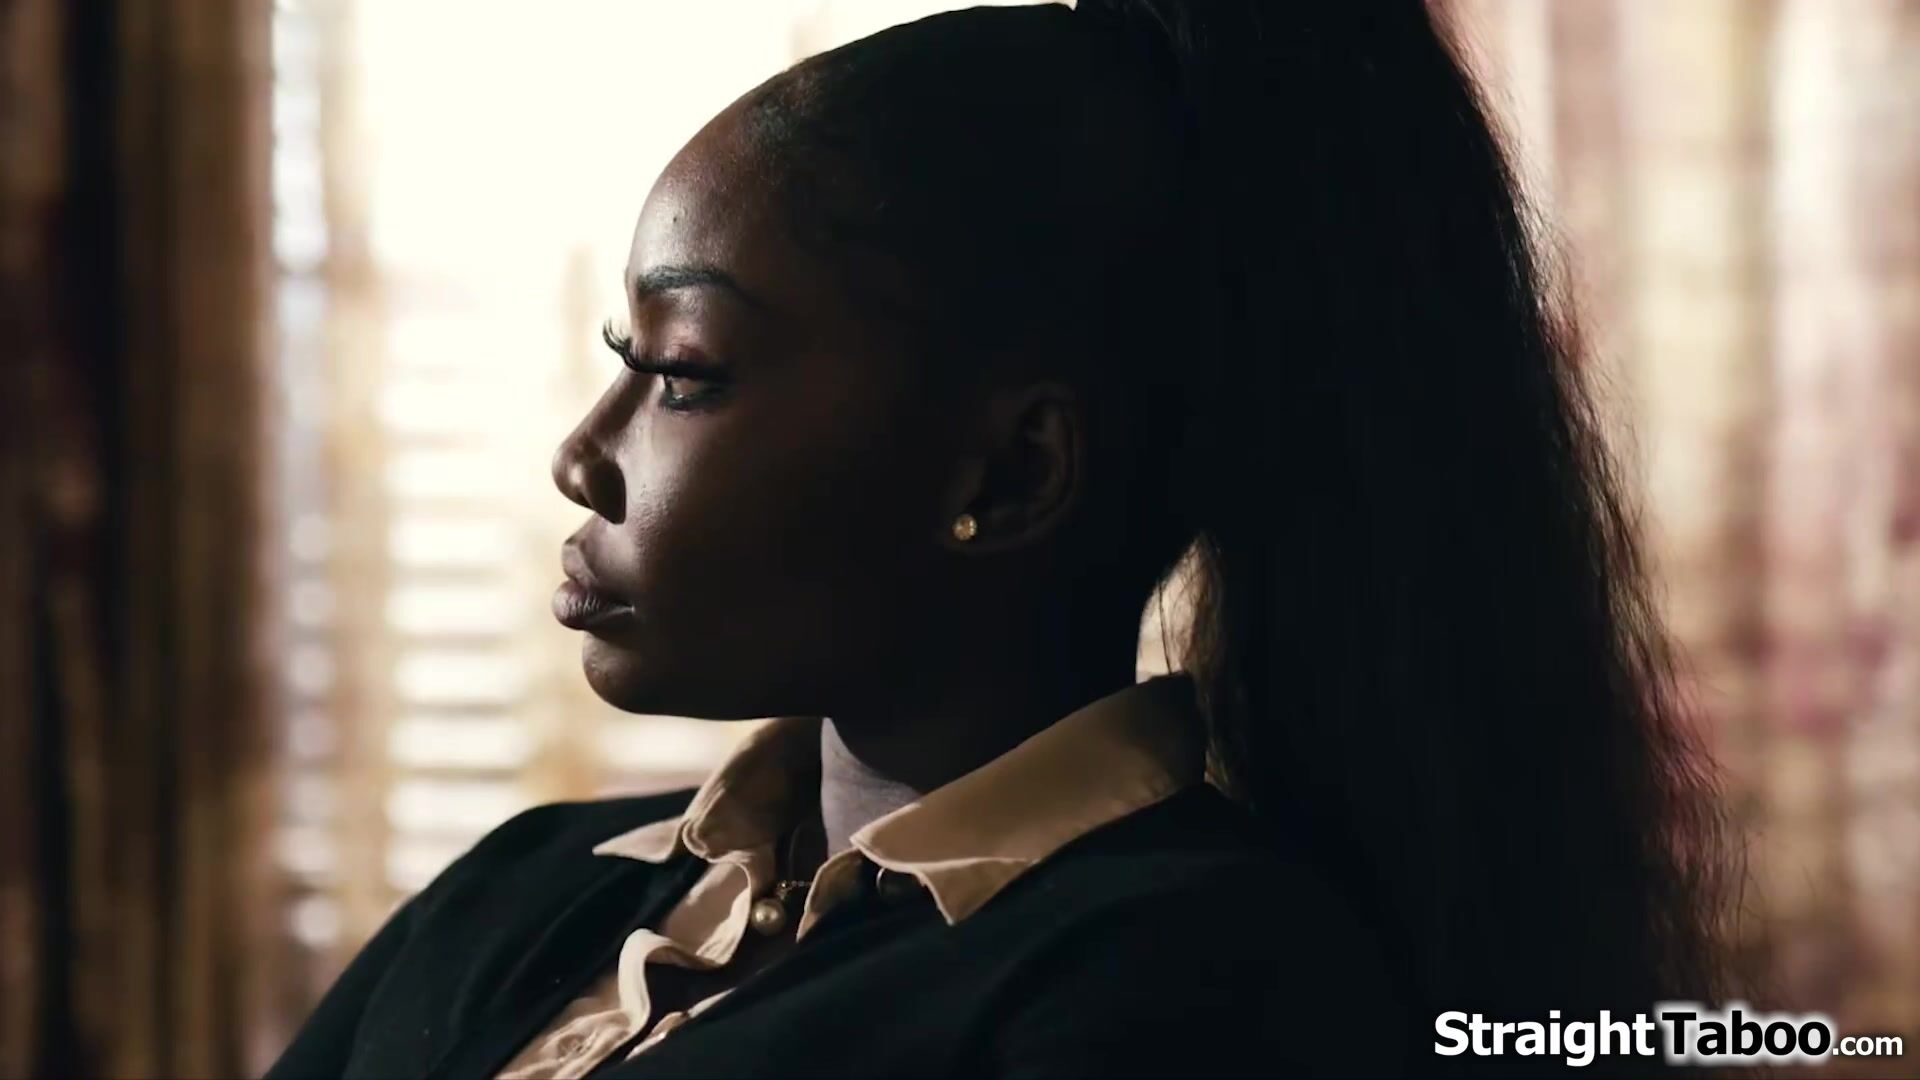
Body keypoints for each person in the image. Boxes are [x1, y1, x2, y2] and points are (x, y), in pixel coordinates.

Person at [266, 2, 1736, 1077]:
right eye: (622, 359)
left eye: (686, 373)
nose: (583, 457)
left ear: (1016, 471)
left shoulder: (1192, 995)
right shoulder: (528, 885)